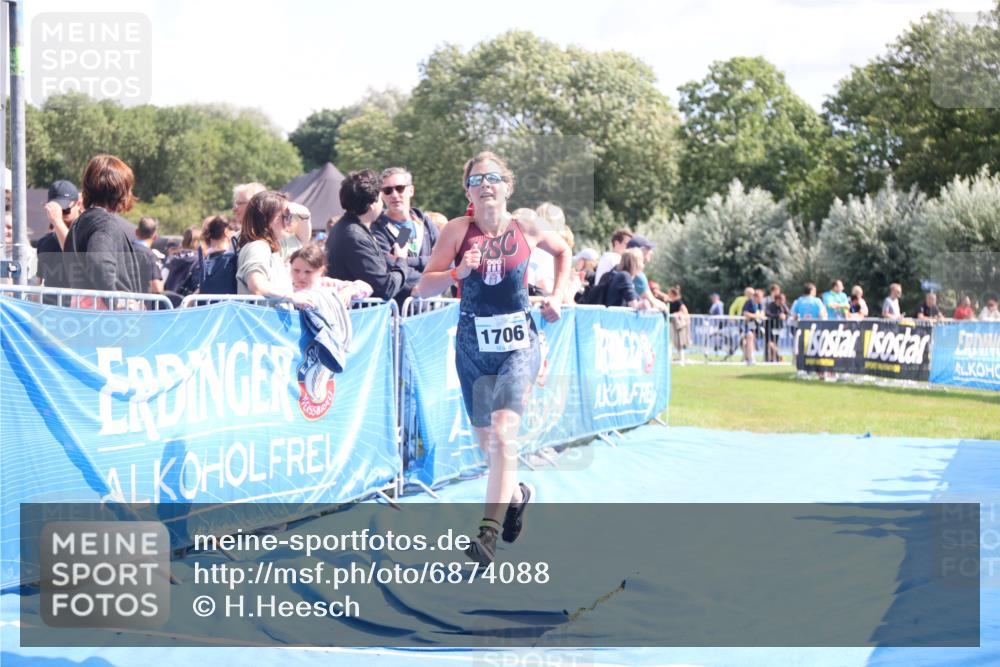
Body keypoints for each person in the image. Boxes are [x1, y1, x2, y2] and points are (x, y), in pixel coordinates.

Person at [412, 151, 570, 566]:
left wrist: (558, 295)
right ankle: (517, 495)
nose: (486, 184)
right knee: (490, 444)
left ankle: (487, 534)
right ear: (467, 189)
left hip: (520, 344)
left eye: (494, 177)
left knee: (504, 434)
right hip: (472, 346)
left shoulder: (527, 227)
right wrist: (455, 274)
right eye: (477, 179)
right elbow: (421, 289)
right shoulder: (455, 230)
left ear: (508, 186)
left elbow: (563, 252)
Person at [62, 154, 144, 302]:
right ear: (120, 190)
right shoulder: (104, 223)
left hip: (84, 311)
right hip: (108, 316)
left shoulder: (79, 223)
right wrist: (115, 301)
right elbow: (99, 262)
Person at [327, 170, 410, 301]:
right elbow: (386, 288)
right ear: (372, 205)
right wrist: (401, 259)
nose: (382, 203)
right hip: (358, 317)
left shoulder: (348, 228)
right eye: (380, 197)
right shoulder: (355, 236)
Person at [371, 167, 440, 306]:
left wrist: (407, 260)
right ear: (381, 195)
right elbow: (390, 268)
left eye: (400, 188)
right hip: (398, 314)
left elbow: (445, 261)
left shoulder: (425, 222)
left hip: (434, 309)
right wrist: (432, 281)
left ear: (411, 190)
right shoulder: (377, 228)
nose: (394, 195)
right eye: (388, 190)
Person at [235, 190, 314, 309]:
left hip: (267, 323)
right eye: (284, 216)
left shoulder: (270, 246)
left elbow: (302, 240)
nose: (290, 221)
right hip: (262, 323)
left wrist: (304, 215)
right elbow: (257, 285)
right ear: (266, 219)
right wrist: (291, 297)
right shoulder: (258, 247)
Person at [35, 180, 83, 299]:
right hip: (49, 311)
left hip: (78, 311)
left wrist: (57, 222)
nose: (60, 215)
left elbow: (75, 257)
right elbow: (39, 282)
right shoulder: (45, 242)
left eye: (65, 210)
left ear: (78, 204)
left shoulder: (87, 234)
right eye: (57, 210)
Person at [627, 235, 666, 312]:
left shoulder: (625, 270)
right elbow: (653, 302)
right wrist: (665, 308)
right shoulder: (637, 275)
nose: (651, 252)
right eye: (648, 249)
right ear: (639, 251)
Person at [132, 216, 164, 294]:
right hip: (141, 302)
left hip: (118, 301)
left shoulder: (123, 248)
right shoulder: (150, 255)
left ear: (136, 232)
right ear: (155, 236)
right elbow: (157, 288)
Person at [742, 288, 765, 365]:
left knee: (751, 340)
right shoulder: (749, 302)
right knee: (749, 337)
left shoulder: (760, 304)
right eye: (760, 297)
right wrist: (756, 316)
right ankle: (750, 358)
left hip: (756, 324)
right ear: (756, 297)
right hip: (748, 323)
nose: (761, 299)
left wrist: (759, 315)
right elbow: (745, 313)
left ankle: (747, 357)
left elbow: (762, 313)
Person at [667, 286, 690, 363]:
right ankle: (670, 358)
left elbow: (684, 311)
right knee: (670, 341)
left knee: (679, 342)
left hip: (677, 325)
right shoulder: (670, 302)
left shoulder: (678, 302)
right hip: (671, 324)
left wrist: (677, 313)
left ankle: (681, 358)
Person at [765, 292, 789, 362]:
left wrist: (785, 316)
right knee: (770, 343)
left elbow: (788, 314)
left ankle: (773, 359)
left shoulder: (783, 306)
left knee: (774, 343)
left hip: (778, 327)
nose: (784, 301)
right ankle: (779, 356)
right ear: (777, 300)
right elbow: (767, 313)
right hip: (769, 327)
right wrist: (778, 316)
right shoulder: (770, 305)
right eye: (782, 300)